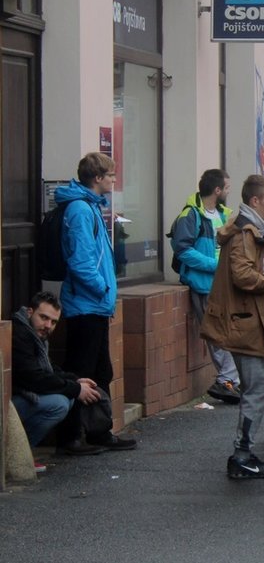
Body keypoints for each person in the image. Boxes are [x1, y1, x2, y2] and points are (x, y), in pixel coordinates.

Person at [201, 175, 264, 479]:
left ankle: (244, 453)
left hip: (245, 320)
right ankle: (241, 455)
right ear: (255, 201)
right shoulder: (244, 234)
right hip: (243, 323)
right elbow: (243, 277)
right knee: (257, 388)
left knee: (257, 387)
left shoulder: (248, 230)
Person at [55, 152, 135, 452]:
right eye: (111, 175)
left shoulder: (89, 206)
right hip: (86, 304)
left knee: (101, 372)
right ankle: (70, 437)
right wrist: (102, 289)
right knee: (81, 373)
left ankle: (99, 431)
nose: (114, 180)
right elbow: (81, 261)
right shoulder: (80, 209)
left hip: (94, 304)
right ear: (97, 178)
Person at [169, 168, 238, 404]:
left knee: (224, 333)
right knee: (217, 334)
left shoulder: (222, 214)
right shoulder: (191, 215)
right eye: (227, 187)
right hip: (204, 284)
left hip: (221, 284)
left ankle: (231, 381)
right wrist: (214, 265)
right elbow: (183, 250)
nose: (229, 191)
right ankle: (228, 381)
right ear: (217, 190)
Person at [12, 292, 103, 463]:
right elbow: (34, 378)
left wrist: (74, 381)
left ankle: (21, 452)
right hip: (10, 403)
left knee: (65, 399)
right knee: (58, 404)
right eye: (43, 317)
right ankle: (18, 456)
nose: (48, 325)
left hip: (21, 396)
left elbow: (49, 369)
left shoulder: (34, 335)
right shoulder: (19, 334)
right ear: (30, 312)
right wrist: (75, 389)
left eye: (53, 322)